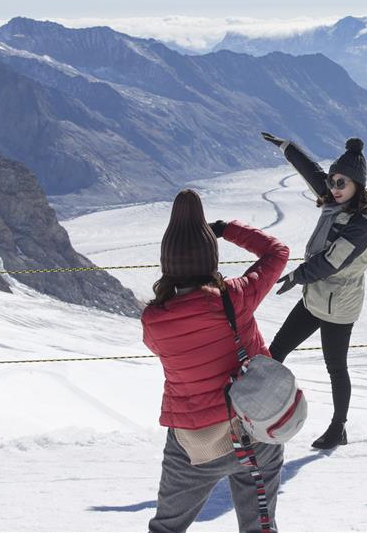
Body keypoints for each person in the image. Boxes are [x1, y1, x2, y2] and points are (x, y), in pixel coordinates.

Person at [143, 189, 290, 533]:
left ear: (168, 265)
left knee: (165, 528)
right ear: (210, 259)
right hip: (256, 432)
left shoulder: (154, 320)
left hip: (195, 445)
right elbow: (277, 252)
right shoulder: (236, 297)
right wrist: (225, 229)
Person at [261, 133, 367, 450]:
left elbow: (331, 262)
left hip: (339, 305)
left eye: (341, 182)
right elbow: (313, 173)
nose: (334, 187)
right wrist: (288, 148)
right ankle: (262, 418)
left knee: (336, 368)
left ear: (358, 184)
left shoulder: (363, 224)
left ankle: (338, 428)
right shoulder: (337, 197)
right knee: (276, 352)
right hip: (315, 296)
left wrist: (297, 276)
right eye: (333, 181)